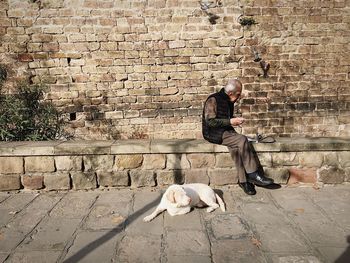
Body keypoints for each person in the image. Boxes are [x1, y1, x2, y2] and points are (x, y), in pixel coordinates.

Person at [202, 78, 274, 195]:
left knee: (237, 146)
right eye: (238, 94)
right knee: (241, 139)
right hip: (213, 133)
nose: (239, 97)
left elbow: (224, 118)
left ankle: (243, 181)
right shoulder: (213, 100)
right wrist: (231, 121)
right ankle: (253, 174)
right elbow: (210, 122)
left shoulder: (228, 101)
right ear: (230, 93)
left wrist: (233, 121)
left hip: (226, 131)